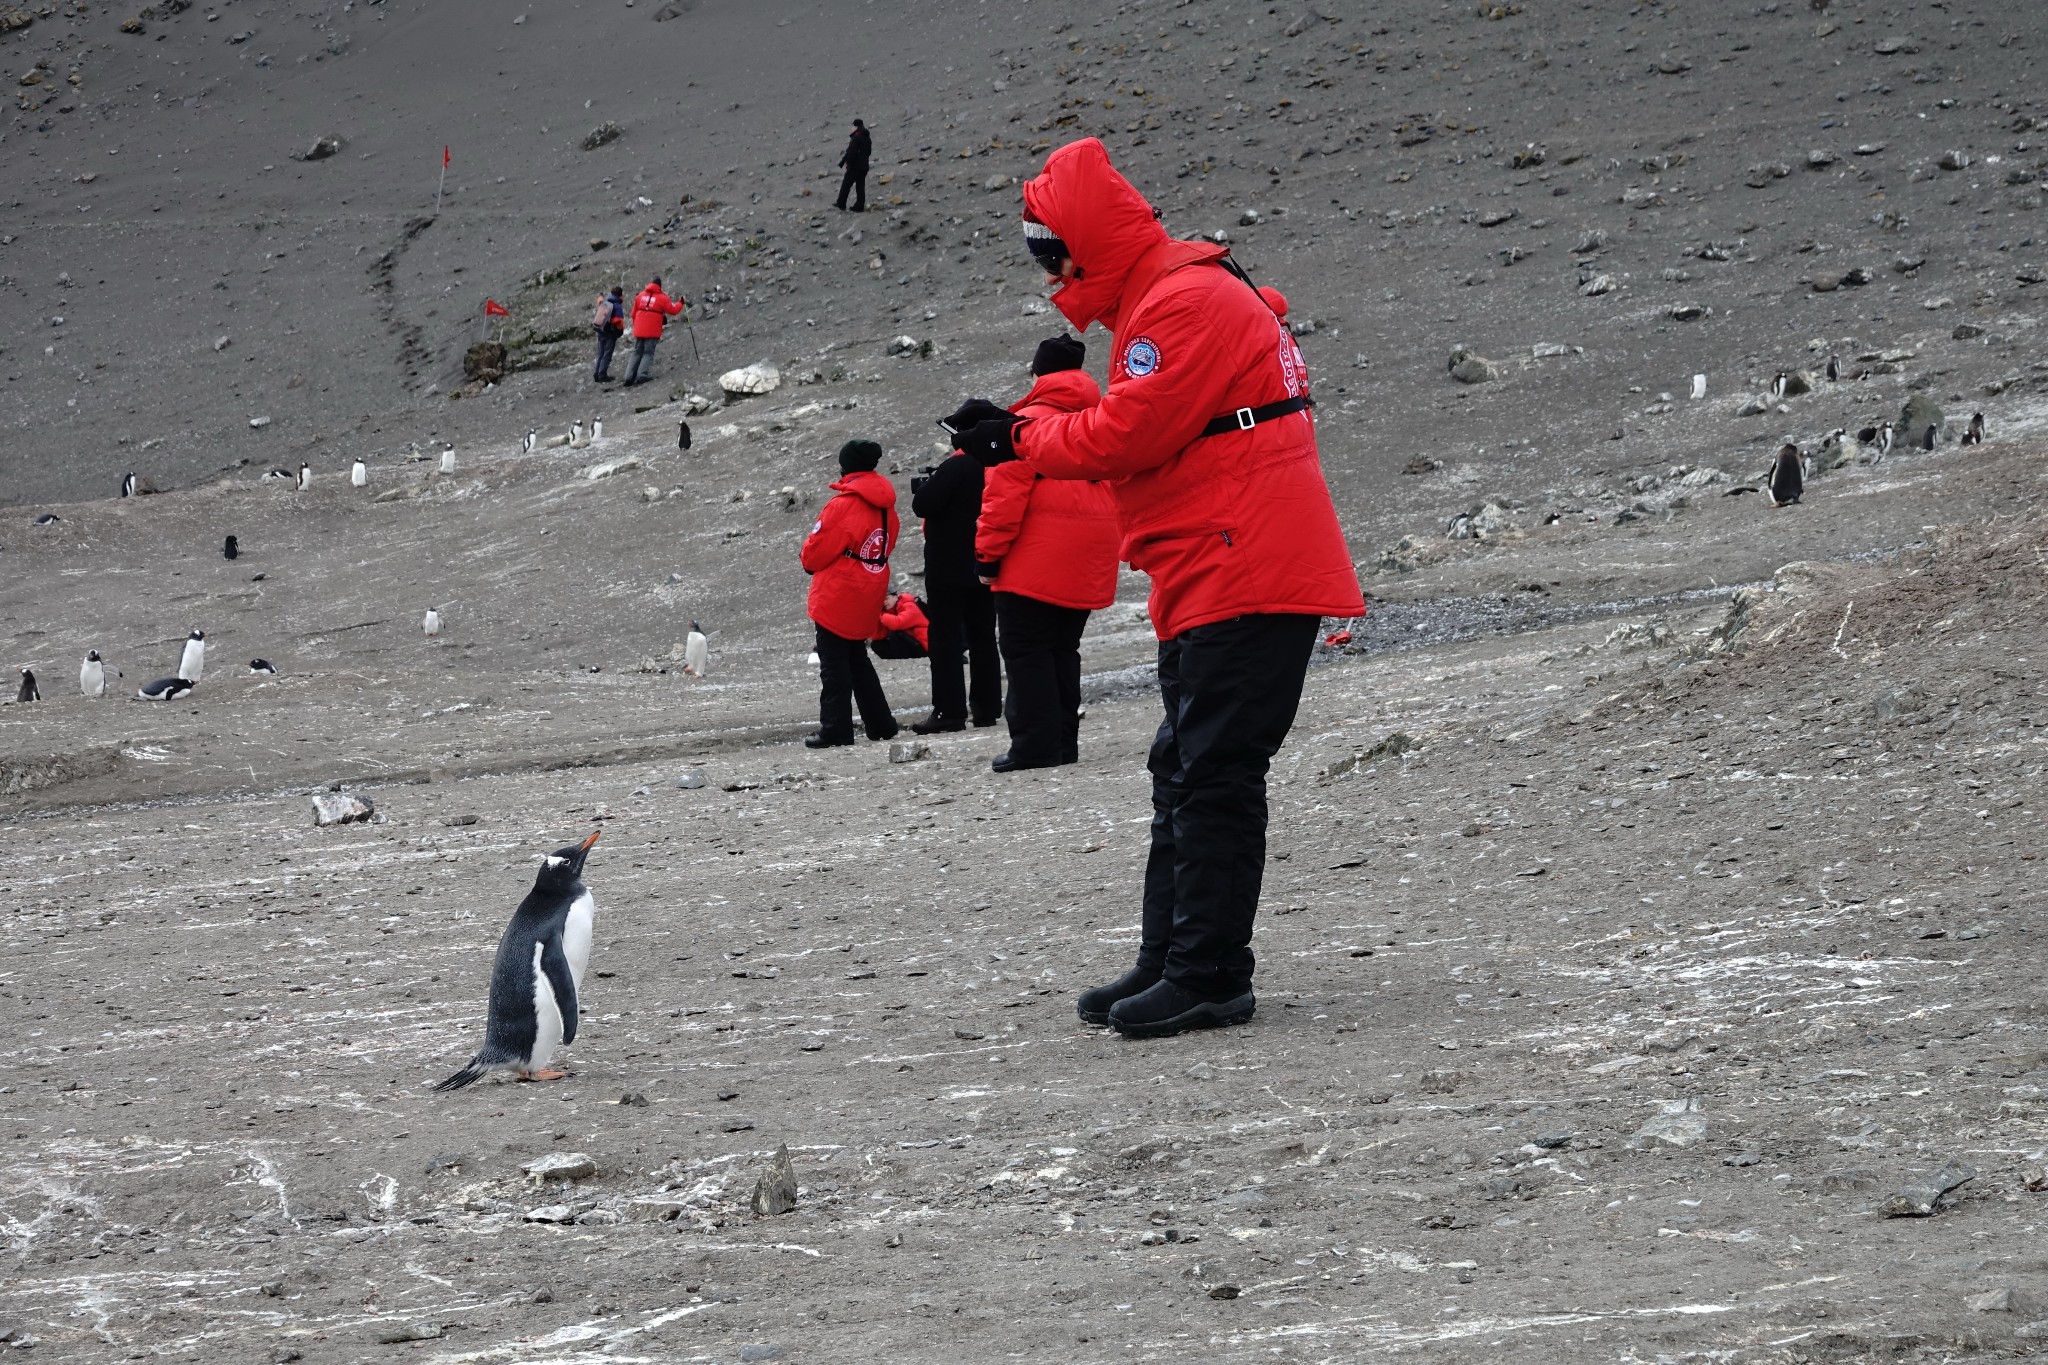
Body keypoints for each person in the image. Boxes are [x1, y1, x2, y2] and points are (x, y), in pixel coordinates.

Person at [950, 137, 1365, 1040]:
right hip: (1221, 560)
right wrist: (1017, 431)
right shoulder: (1172, 294)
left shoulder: (1178, 304)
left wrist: (1016, 442)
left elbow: (1125, 435)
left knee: (1212, 767)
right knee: (1182, 763)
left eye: (1049, 250)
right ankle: (1173, 958)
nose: (1048, 271)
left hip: (1245, 564)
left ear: (1089, 241)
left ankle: (1208, 972)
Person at [971, 334, 1120, 772]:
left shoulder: (1024, 423)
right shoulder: (1097, 418)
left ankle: (1035, 745)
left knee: (1025, 650)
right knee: (1062, 650)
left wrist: (987, 558)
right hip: (1090, 551)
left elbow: (1003, 499)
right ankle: (1062, 743)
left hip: (1036, 556)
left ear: (1038, 374)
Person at [799, 440, 901, 748]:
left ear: (846, 467)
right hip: (869, 585)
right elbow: (888, 542)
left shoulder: (843, 504)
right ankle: (881, 723)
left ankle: (836, 728)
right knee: (857, 658)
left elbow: (814, 555)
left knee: (834, 664)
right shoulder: (885, 505)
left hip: (839, 591)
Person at [910, 419, 1001, 734]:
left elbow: (922, 504)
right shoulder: (995, 464)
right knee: (983, 637)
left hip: (948, 566)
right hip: (984, 563)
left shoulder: (957, 467)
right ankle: (986, 707)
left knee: (945, 639)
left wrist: (930, 484)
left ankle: (949, 710)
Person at [622, 275, 685, 387]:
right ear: (660, 286)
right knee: (648, 352)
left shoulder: (640, 296)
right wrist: (681, 303)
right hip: (652, 330)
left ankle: (628, 376)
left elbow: (632, 314)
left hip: (639, 328)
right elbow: (673, 310)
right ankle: (641, 375)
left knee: (636, 352)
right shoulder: (662, 298)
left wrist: (636, 325)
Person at [835, 118, 872, 213]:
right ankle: (859, 206)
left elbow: (852, 152)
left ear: (856, 126)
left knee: (846, 185)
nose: (852, 128)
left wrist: (849, 163)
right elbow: (869, 152)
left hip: (855, 166)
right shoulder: (867, 138)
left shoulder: (856, 137)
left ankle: (841, 203)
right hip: (864, 167)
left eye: (853, 126)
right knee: (860, 187)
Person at [591, 286, 626, 383]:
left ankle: (596, 374)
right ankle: (602, 375)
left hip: (600, 329)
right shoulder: (617, 305)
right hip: (610, 332)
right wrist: (619, 331)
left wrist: (601, 295)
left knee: (601, 353)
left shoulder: (605, 301)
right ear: (620, 295)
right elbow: (618, 320)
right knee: (607, 354)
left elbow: (599, 300)